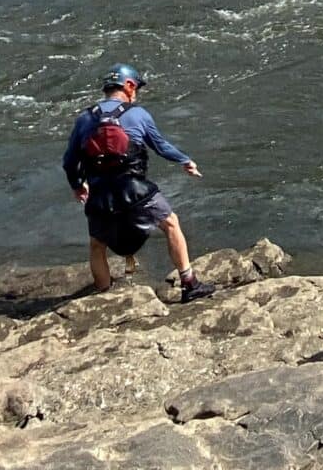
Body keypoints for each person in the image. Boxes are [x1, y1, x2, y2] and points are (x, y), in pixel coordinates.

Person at [62, 65, 213, 302]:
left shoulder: (84, 118)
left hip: (100, 196)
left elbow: (70, 161)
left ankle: (102, 298)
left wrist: (77, 185)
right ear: (129, 86)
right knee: (171, 223)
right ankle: (189, 283)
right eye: (137, 88)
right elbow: (160, 146)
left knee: (97, 244)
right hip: (136, 191)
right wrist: (185, 161)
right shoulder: (138, 114)